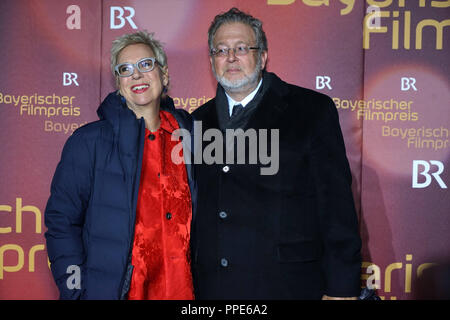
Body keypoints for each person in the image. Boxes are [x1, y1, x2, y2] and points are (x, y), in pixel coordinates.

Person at [191, 8, 362, 300]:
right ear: (211, 60)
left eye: (242, 48)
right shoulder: (197, 121)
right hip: (214, 288)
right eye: (221, 50)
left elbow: (337, 207)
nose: (231, 57)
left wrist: (341, 288)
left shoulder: (311, 110)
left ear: (263, 56)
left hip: (288, 285)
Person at [44, 31, 196, 300]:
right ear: (119, 83)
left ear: (164, 74)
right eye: (125, 69)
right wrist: (77, 291)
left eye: (146, 64)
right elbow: (62, 223)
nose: (136, 75)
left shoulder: (192, 138)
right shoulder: (88, 142)